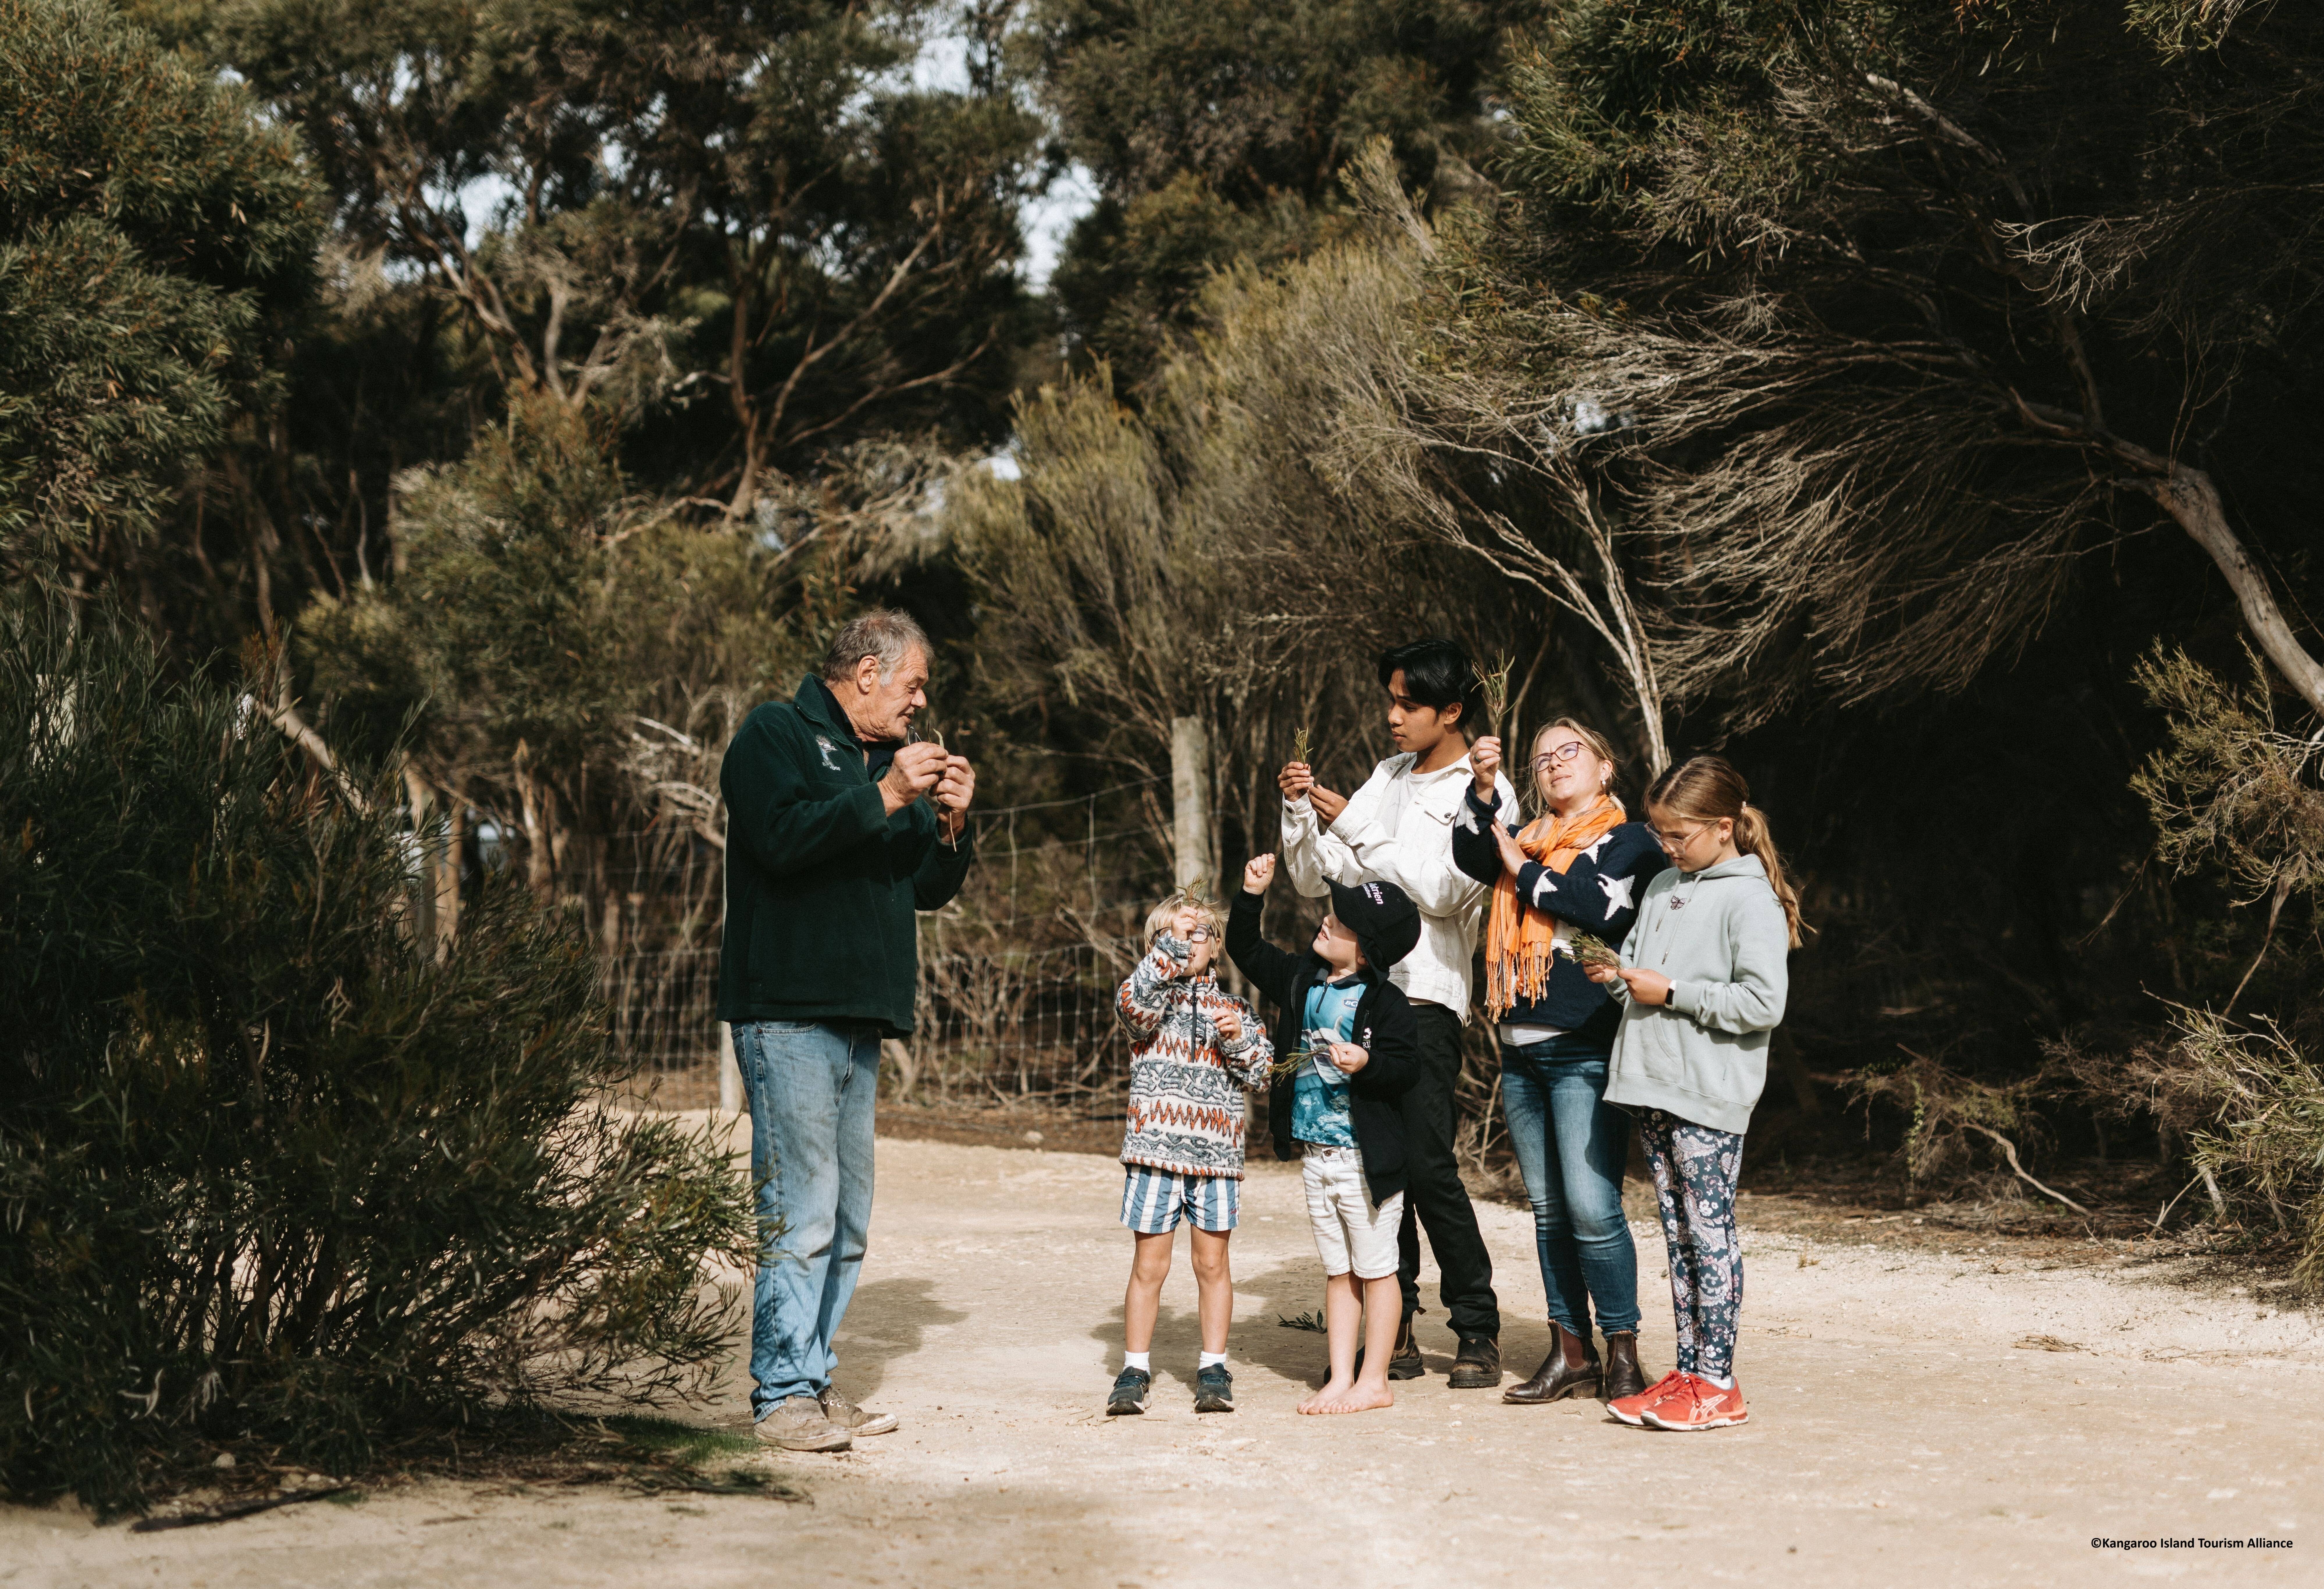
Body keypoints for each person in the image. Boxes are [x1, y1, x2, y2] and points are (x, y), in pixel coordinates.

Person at [717, 610, 977, 1453]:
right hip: (786, 1014)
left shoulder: (884, 765)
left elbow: (923, 886)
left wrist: (949, 824)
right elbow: (782, 839)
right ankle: (781, 1397)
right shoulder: (775, 734)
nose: (921, 702)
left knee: (848, 1220)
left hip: (859, 1022)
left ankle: (814, 1384)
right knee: (801, 1215)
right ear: (866, 674)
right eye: (913, 684)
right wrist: (890, 792)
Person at [1278, 638, 1518, 1388]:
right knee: (1373, 1167)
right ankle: (1396, 1330)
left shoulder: (1485, 793)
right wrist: (1300, 822)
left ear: (1451, 711)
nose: (1391, 717)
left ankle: (1476, 1326)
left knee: (1424, 1163)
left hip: (1424, 999)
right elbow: (1334, 884)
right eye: (1388, 700)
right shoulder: (1383, 777)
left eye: (1407, 705)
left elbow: (1443, 893)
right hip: (1356, 998)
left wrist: (1353, 825)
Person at [1451, 717, 1666, 1407]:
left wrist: (1523, 867)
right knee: (1547, 1211)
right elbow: (1468, 852)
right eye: (1540, 758)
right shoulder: (1526, 838)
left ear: (1605, 767)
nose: (1551, 764)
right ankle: (1568, 1352)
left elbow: (1596, 908)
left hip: (1583, 1045)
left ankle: (1622, 1351)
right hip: (1521, 1051)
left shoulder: (1632, 841)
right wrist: (1484, 787)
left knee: (1592, 1206)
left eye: (1569, 751)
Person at [1591, 755, 1804, 1433]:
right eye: (1660, 833)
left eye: (1678, 834)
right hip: (1651, 1084)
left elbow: (1763, 1002)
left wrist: (1674, 992)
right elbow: (1645, 973)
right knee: (1678, 1235)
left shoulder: (1750, 898)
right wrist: (1613, 974)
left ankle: (1719, 1382)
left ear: (1722, 826)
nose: (1666, 846)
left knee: (1709, 1236)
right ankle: (1686, 1371)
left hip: (1707, 1091)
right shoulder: (1661, 885)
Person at [1227, 855, 1423, 1415]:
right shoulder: (1301, 982)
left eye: (1342, 922)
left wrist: (1367, 1062)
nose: (1327, 921)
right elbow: (1245, 948)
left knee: (1377, 1268)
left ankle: (1375, 1380)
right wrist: (1249, 895)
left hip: (1366, 1162)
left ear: (1367, 950)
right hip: (1317, 1157)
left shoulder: (1386, 1003)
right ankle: (1341, 1377)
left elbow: (1406, 1068)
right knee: (1338, 1271)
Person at [1106, 887, 1275, 1417]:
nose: (1190, 942)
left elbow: (1262, 1073)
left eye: (1200, 933)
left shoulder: (1237, 1008)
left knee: (1212, 1264)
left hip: (1216, 1161)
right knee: (1149, 1266)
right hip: (1154, 1154)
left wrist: (1237, 1040)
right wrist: (1169, 951)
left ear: (1218, 946)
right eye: (1178, 933)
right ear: (1158, 944)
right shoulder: (1149, 997)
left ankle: (1213, 1366)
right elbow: (1132, 1008)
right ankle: (1134, 1368)